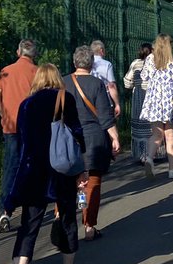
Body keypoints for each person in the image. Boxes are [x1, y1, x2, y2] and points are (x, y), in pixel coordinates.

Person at [5, 64, 87, 264]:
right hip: (60, 170)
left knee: (29, 228)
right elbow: (77, 132)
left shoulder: (26, 105)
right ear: (56, 79)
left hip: (33, 171)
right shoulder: (65, 98)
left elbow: (21, 143)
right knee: (67, 220)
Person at [65, 46, 121, 240]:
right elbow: (105, 117)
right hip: (93, 139)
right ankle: (89, 224)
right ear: (91, 63)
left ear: (74, 62)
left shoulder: (63, 83)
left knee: (70, 181)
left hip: (69, 139)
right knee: (92, 182)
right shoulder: (97, 84)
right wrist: (114, 137)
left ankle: (60, 217)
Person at [0, 39, 38, 233]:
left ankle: (5, 210)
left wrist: (5, 115)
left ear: (18, 51)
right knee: (32, 168)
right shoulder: (37, 72)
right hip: (32, 127)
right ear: (34, 54)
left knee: (11, 168)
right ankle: (31, 209)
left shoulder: (6, 71)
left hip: (11, 127)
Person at [140, 34, 173, 179]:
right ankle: (172, 169)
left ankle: (149, 159)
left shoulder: (150, 59)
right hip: (169, 98)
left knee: (157, 134)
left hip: (154, 99)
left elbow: (144, 76)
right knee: (170, 134)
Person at [123, 43, 153, 162]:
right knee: (153, 126)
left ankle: (141, 154)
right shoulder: (155, 63)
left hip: (139, 97)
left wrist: (133, 86)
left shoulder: (135, 63)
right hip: (152, 96)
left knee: (140, 126)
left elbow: (127, 81)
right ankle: (155, 152)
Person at [89, 40, 122, 119]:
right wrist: (117, 104)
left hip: (89, 99)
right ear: (101, 50)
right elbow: (111, 86)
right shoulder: (107, 64)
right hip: (104, 100)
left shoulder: (88, 63)